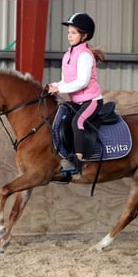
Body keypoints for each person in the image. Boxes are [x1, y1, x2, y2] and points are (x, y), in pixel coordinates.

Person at [48, 12, 106, 176]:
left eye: (73, 33)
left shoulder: (85, 55)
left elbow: (82, 82)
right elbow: (66, 80)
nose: (69, 36)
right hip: (77, 101)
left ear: (84, 35)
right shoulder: (68, 54)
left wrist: (59, 89)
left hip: (91, 101)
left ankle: (78, 162)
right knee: (63, 118)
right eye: (68, 33)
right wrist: (53, 85)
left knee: (78, 122)